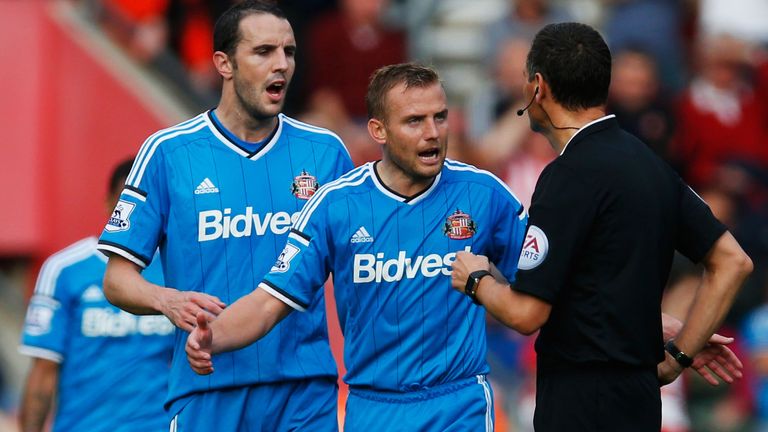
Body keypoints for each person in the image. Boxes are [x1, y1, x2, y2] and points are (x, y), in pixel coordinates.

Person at [185, 63, 528, 431]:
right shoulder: (336, 205)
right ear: (378, 130)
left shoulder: (485, 194)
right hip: (372, 407)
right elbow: (270, 301)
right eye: (415, 121)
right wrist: (212, 337)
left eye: (440, 117)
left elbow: (537, 287)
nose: (432, 133)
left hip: (458, 402)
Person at [450, 22, 753, 431]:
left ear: (537, 87)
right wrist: (678, 354)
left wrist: (476, 278)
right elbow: (732, 261)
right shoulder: (650, 165)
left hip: (580, 401)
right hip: (641, 400)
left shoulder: (567, 176)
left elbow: (525, 313)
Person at [97, 1, 353, 431]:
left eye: (288, 52)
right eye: (263, 51)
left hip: (304, 393)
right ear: (224, 63)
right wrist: (168, 300)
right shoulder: (168, 153)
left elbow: (357, 270)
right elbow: (116, 279)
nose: (281, 65)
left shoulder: (326, 154)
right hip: (206, 390)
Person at [18, 158, 173, 432]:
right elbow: (43, 372)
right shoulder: (65, 269)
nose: (135, 215)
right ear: (108, 204)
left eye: (146, 205)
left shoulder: (181, 269)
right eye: (126, 204)